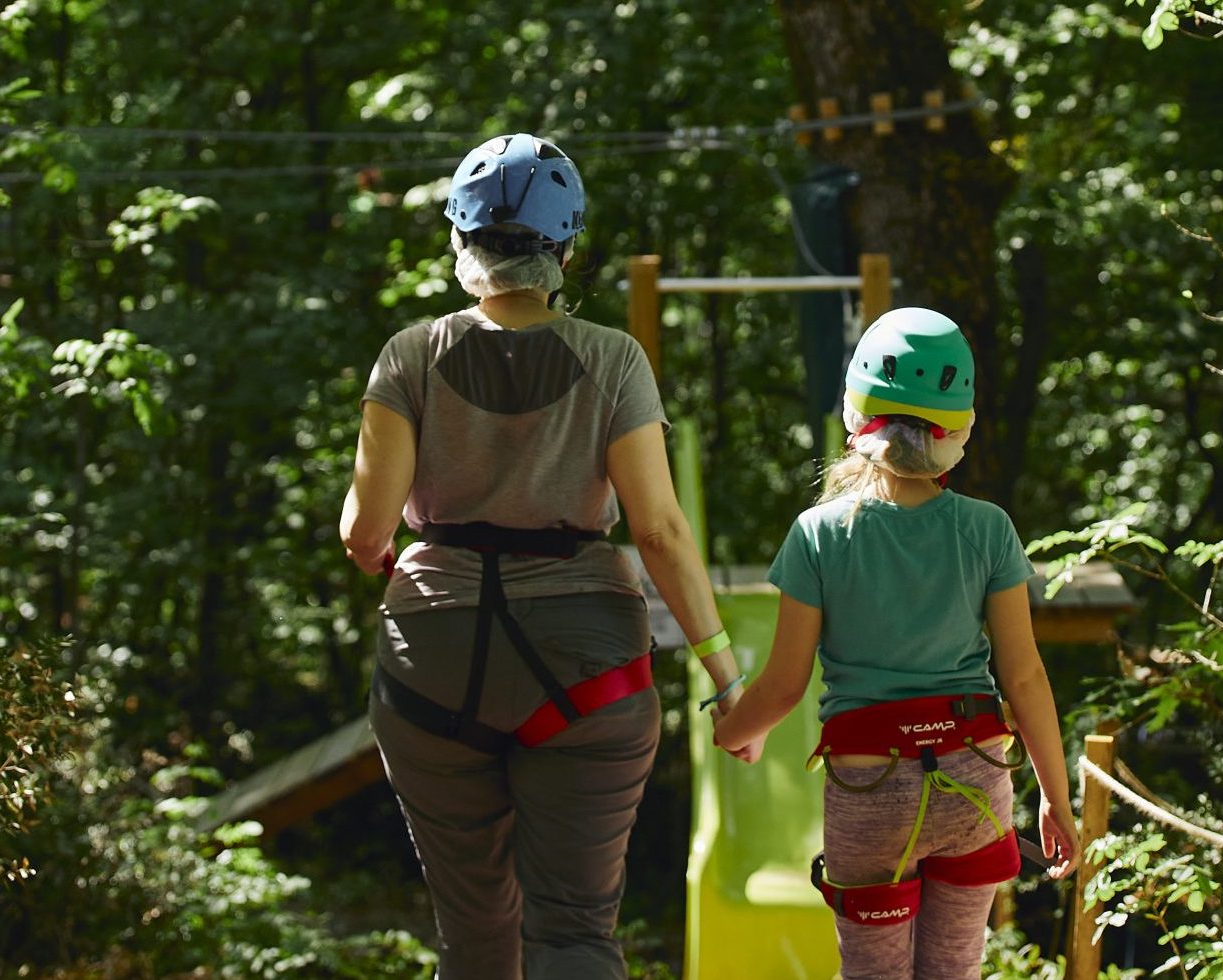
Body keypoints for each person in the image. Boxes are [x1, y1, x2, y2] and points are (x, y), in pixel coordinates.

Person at [339, 132, 760, 980]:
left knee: (476, 939)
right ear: (565, 249)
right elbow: (658, 533)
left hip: (434, 666)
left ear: (460, 241)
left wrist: (382, 540)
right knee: (573, 934)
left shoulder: (409, 357)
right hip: (587, 671)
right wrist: (725, 676)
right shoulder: (612, 360)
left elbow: (364, 533)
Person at [712, 307, 1079, 980]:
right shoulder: (987, 529)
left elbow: (783, 686)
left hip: (868, 787)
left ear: (856, 414)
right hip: (974, 778)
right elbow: (1023, 677)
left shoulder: (819, 534)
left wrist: (733, 728)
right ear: (958, 428)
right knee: (954, 972)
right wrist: (1055, 795)